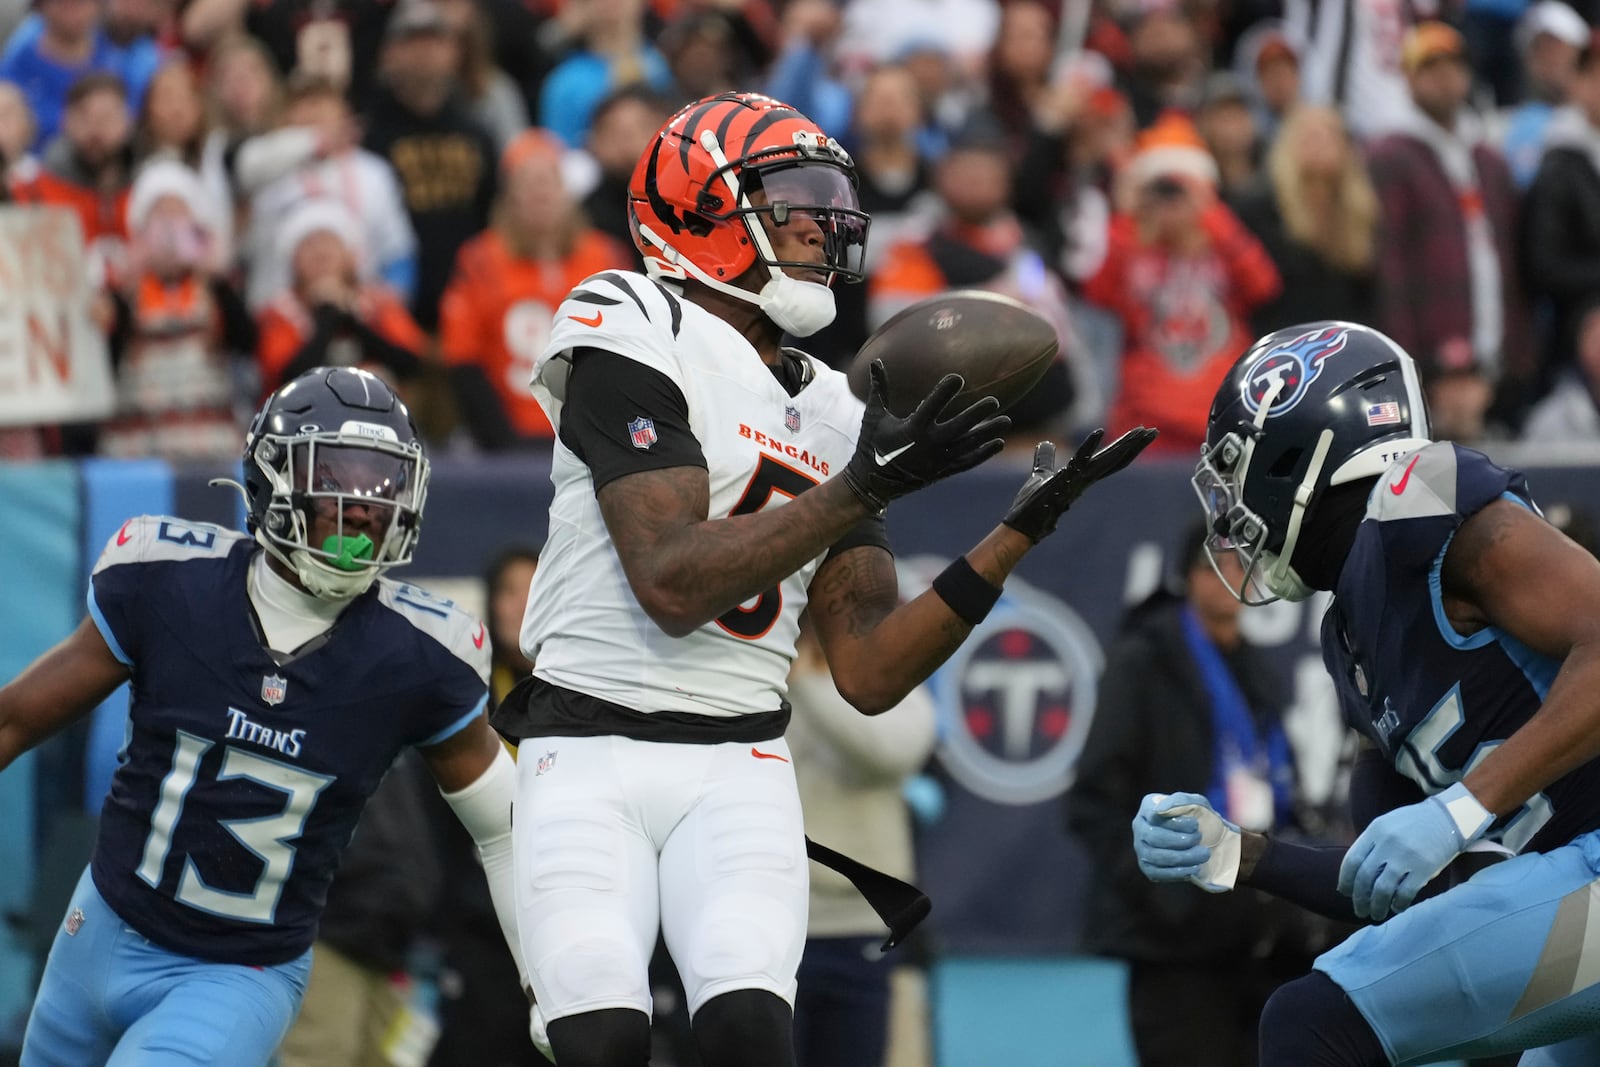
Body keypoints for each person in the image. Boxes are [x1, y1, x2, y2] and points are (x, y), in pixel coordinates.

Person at [490, 90, 1157, 1067]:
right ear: (694, 211)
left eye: (824, 199)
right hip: (589, 747)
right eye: (787, 200)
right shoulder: (627, 318)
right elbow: (670, 582)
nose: (819, 222)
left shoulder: (836, 407)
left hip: (741, 762)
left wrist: (1016, 531)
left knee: (754, 1034)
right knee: (601, 1040)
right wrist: (856, 487)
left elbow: (870, 669)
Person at [2, 365, 527, 1067]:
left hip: (237, 973)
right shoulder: (166, 581)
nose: (366, 507)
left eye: (383, 483)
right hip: (95, 931)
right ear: (274, 477)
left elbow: (513, 831)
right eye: (339, 475)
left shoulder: (420, 657)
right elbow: (12, 721)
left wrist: (551, 976)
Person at [1131, 320, 1600, 1064]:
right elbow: (1400, 891)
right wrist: (1240, 855)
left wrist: (1464, 803)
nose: (1229, 513)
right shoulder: (1351, 639)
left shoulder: (1425, 499)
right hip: (1579, 893)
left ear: (1301, 452)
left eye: (1235, 468)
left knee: (1314, 1020)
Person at [1067, 519, 1299, 1067]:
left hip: (1257, 936)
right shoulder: (1142, 662)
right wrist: (1165, 894)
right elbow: (1093, 800)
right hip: (1174, 945)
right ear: (1188, 578)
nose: (1234, 578)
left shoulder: (1255, 669)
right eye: (1218, 567)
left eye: (1245, 566)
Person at [787, 616, 936, 1067]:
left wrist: (811, 682)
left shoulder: (884, 673)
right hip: (773, 918)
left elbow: (894, 753)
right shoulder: (756, 676)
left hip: (862, 926)